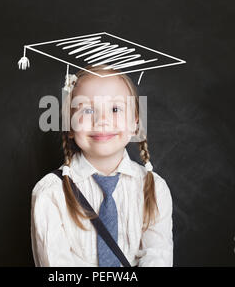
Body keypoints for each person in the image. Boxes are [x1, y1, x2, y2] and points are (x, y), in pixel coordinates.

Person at [31, 64, 173, 267]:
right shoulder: (50, 194)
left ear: (135, 123)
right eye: (87, 109)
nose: (102, 121)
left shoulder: (154, 189)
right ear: (70, 125)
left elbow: (158, 258)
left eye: (115, 109)